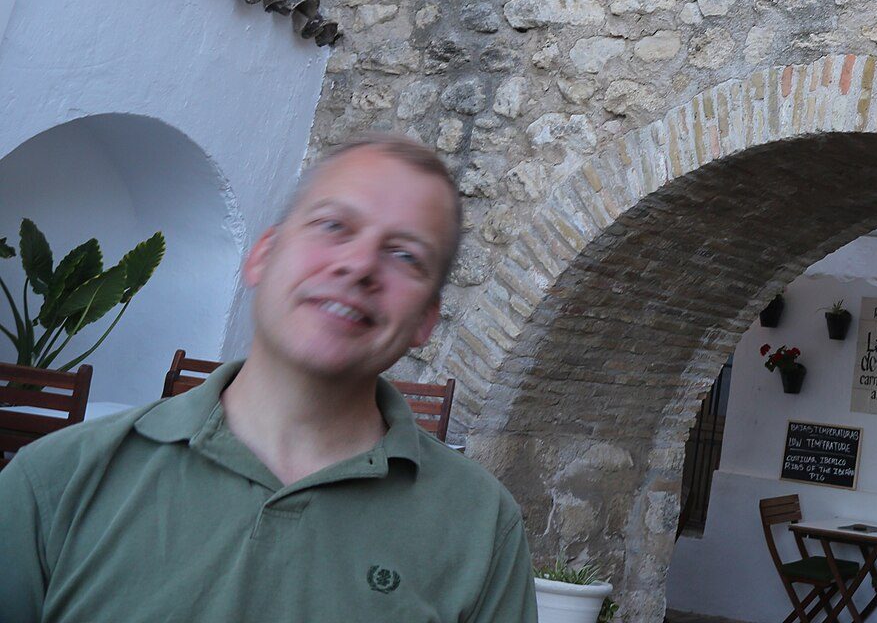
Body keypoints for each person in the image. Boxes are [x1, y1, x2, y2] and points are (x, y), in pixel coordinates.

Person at [0, 134, 537, 623]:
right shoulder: (56, 482)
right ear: (262, 255)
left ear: (425, 320)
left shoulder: (482, 527)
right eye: (333, 226)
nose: (359, 265)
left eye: (404, 255)